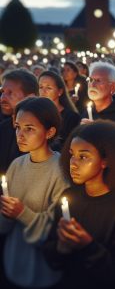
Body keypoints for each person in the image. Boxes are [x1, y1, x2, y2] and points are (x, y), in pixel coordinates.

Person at [43, 120, 115, 289]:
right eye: (72, 154)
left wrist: (87, 246)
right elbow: (52, 256)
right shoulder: (68, 198)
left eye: (83, 157)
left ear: (106, 160)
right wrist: (61, 248)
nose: (73, 162)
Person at [0, 97, 69, 288]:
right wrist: (5, 213)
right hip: (13, 263)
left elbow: (56, 228)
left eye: (29, 128)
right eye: (17, 127)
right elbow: (4, 225)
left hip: (43, 271)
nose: (20, 135)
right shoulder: (16, 165)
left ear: (50, 132)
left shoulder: (61, 170)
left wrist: (21, 212)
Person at [0, 69, 38, 174]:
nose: (2, 98)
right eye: (2, 92)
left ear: (30, 97)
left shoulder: (40, 133)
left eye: (10, 93)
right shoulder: (3, 128)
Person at [81, 61, 115, 126]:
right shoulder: (88, 111)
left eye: (98, 80)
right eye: (90, 80)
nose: (92, 84)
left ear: (113, 87)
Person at [38, 70, 80, 150]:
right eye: (41, 87)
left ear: (60, 91)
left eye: (48, 88)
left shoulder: (71, 117)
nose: (43, 91)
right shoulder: (35, 114)